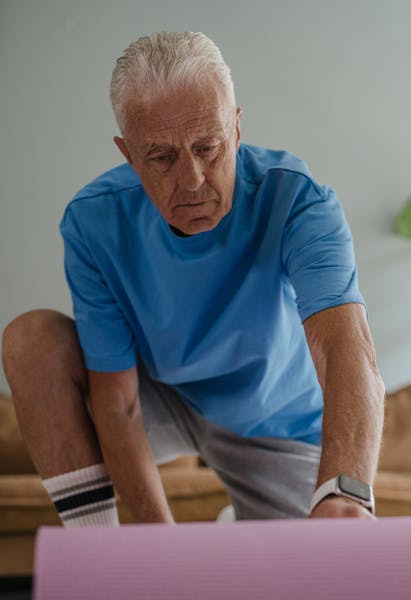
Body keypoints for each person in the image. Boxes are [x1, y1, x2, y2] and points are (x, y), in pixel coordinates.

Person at [2, 30, 385, 533]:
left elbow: (345, 348)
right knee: (30, 340)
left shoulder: (299, 201)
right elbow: (118, 400)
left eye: (208, 147)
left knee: (317, 588)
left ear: (237, 129)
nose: (192, 181)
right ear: (128, 153)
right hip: (164, 397)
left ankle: (240, 523)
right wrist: (159, 543)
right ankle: (98, 552)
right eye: (161, 157)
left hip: (278, 425)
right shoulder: (94, 221)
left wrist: (347, 492)